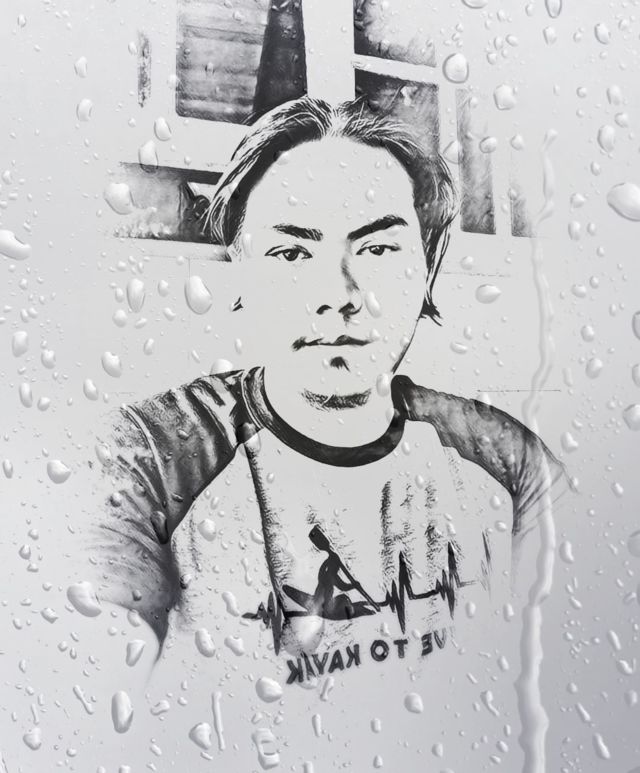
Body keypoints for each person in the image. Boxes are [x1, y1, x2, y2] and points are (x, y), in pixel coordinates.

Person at [89, 96, 566, 666]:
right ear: (242, 270)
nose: (337, 295)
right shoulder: (149, 455)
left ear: (426, 267)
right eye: (291, 253)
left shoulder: (505, 458)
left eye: (378, 248)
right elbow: (94, 683)